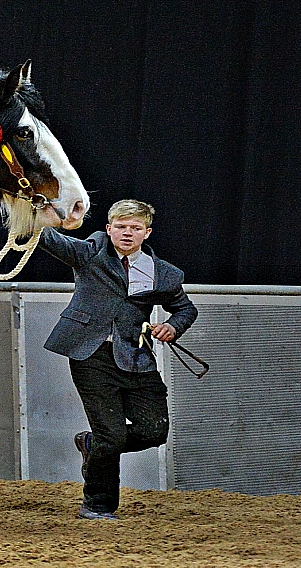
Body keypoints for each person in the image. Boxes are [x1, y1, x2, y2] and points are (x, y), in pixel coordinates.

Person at [37, 199, 198, 520]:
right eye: (121, 227)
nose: (127, 233)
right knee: (112, 435)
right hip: (91, 354)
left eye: (135, 228)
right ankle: (97, 505)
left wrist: (171, 326)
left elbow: (185, 309)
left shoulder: (165, 274)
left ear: (146, 233)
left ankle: (91, 444)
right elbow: (46, 237)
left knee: (154, 431)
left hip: (137, 356)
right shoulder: (89, 252)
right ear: (109, 229)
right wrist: (34, 212)